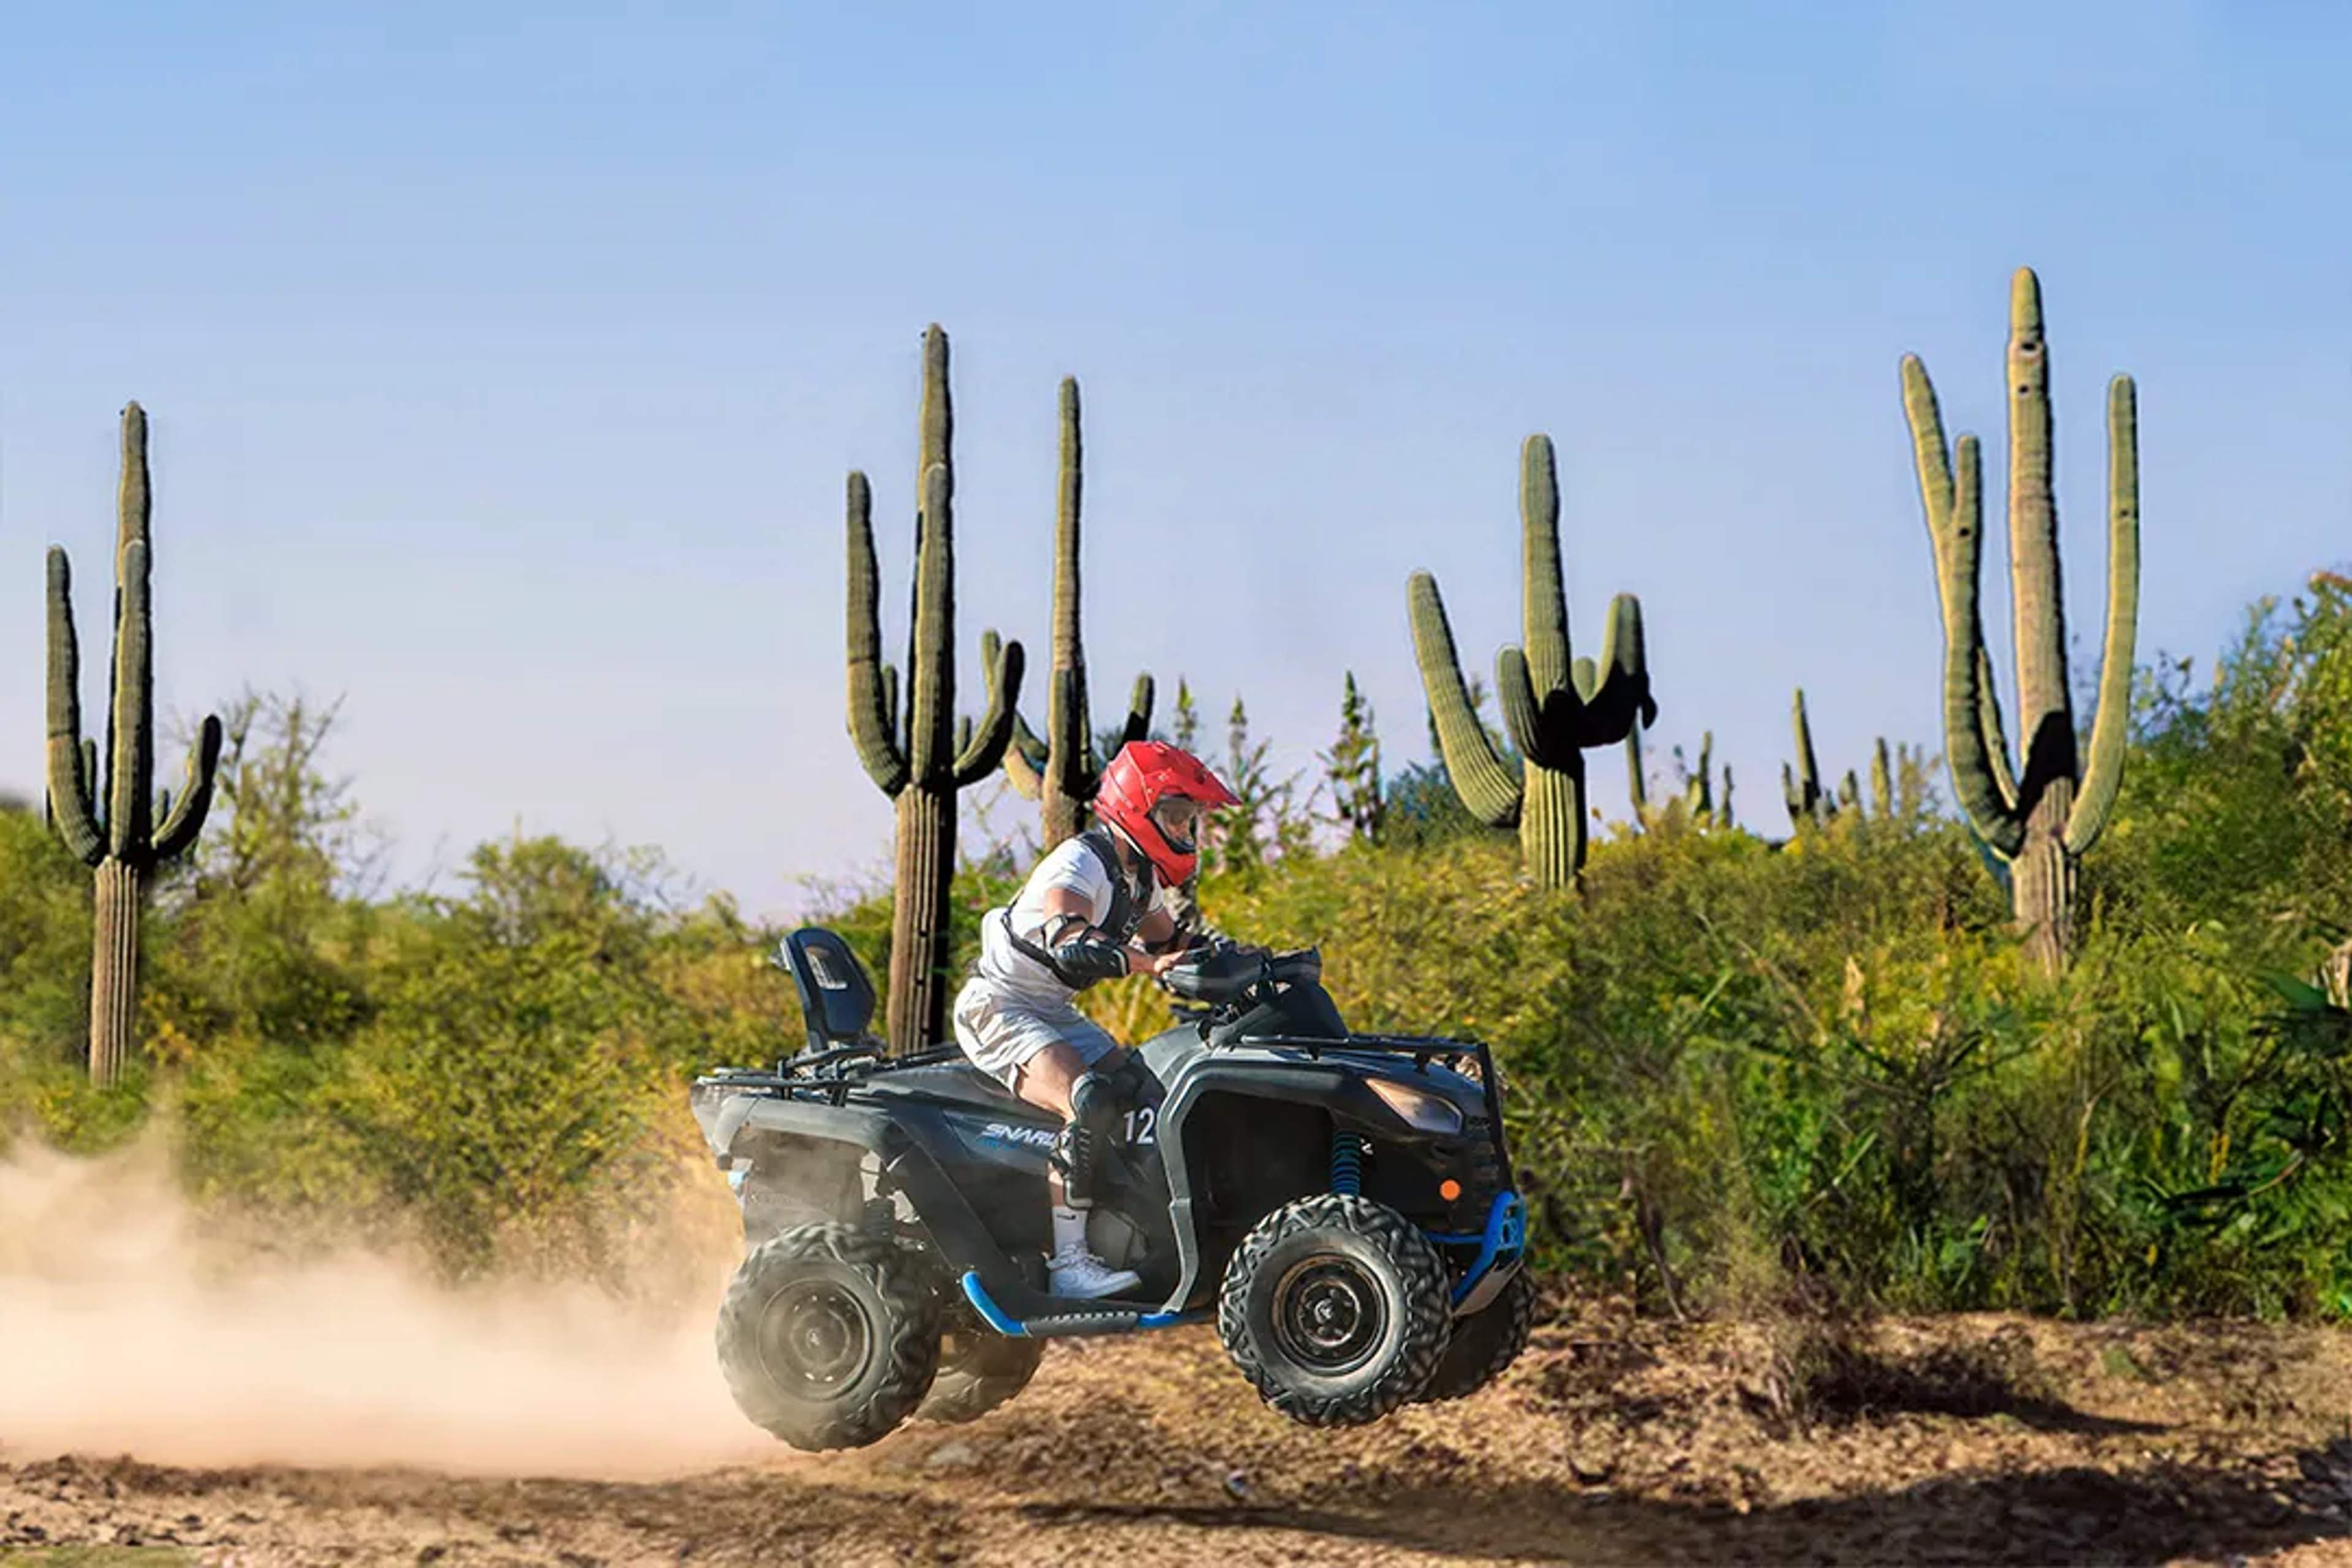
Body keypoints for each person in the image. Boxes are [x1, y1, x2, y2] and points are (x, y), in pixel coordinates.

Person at [952, 740, 1238, 1298]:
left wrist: (1251, 966)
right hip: (1001, 1005)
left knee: (1141, 1086)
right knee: (1090, 1101)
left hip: (1052, 1010)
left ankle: (1130, 1229)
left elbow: (1176, 941)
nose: (1186, 831)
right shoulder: (1081, 862)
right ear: (1140, 808)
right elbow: (1069, 938)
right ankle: (1070, 1265)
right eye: (1177, 817)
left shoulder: (1139, 879)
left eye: (1190, 820)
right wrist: (1152, 966)